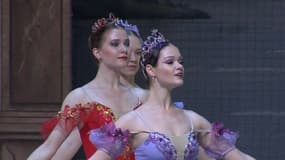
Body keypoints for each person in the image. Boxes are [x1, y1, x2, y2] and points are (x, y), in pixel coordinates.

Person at [88, 29, 256, 160]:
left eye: (180, 62)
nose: (179, 66)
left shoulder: (192, 120)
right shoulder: (133, 121)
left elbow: (237, 156)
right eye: (170, 62)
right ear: (151, 70)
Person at [27, 13, 146, 160]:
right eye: (115, 44)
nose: (124, 50)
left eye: (126, 44)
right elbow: (49, 147)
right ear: (97, 52)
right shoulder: (81, 97)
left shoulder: (141, 97)